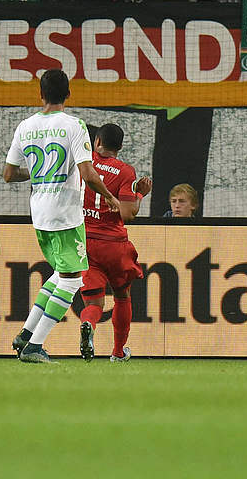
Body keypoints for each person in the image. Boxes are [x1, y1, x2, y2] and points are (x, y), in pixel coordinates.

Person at [3, 68, 119, 364]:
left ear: (40, 94)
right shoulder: (74, 125)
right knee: (72, 280)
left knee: (59, 274)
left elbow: (8, 174)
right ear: (69, 94)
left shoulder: (24, 126)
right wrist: (108, 196)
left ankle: (26, 334)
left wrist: (41, 173)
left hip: (39, 213)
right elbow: (88, 172)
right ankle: (34, 347)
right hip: (66, 213)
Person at [78, 123, 150, 363]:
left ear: (97, 141)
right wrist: (139, 194)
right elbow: (129, 213)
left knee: (93, 301)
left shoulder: (84, 164)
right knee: (122, 294)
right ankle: (118, 352)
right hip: (113, 244)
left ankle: (88, 323)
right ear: (119, 147)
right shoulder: (125, 171)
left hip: (85, 242)